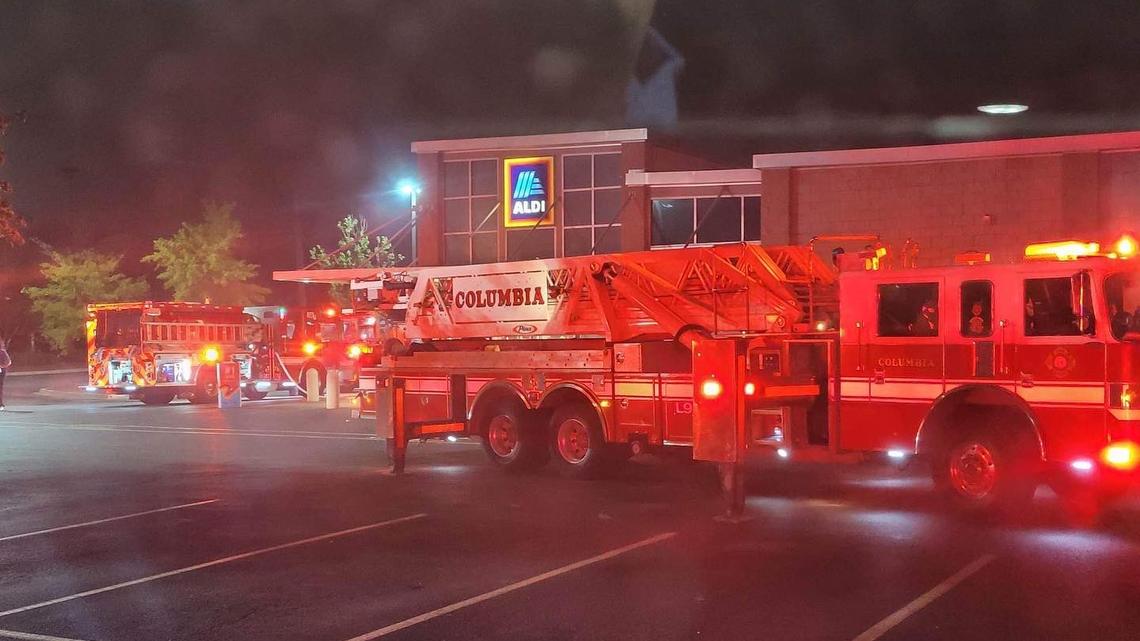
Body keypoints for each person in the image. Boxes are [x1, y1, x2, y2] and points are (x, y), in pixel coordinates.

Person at [0, 338, 11, 410]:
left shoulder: (2, 352)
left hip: (1, 372)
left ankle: (1, 404)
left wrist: (1, 366)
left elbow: (8, 362)